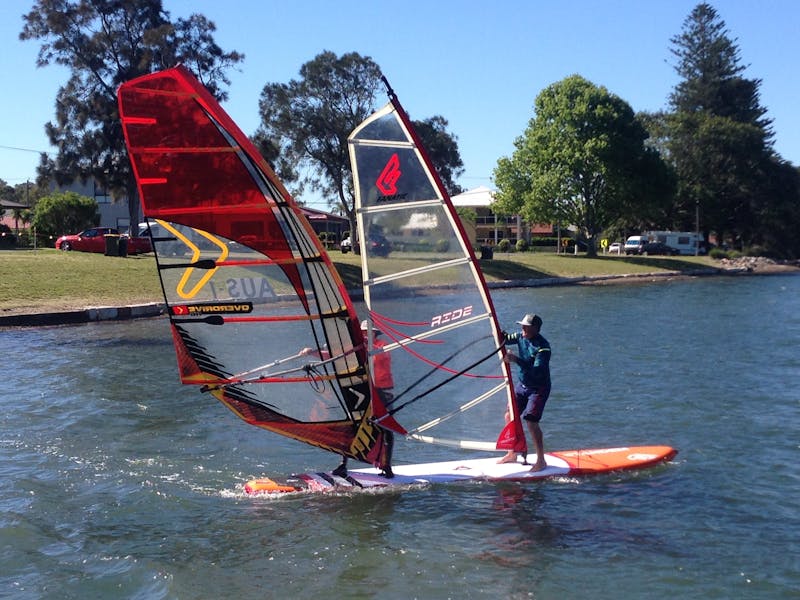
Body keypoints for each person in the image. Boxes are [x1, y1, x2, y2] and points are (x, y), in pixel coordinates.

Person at [300, 319, 395, 478]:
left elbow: (378, 356)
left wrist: (363, 346)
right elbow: (333, 355)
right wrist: (312, 353)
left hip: (382, 392)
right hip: (363, 390)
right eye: (363, 332)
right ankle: (342, 465)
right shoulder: (356, 348)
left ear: (374, 333)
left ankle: (387, 466)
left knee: (385, 428)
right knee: (351, 426)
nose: (365, 334)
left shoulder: (382, 346)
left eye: (367, 332)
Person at [497, 313, 551, 471]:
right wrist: (497, 331)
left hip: (538, 388)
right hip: (523, 385)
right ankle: (512, 453)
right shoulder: (521, 336)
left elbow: (537, 371)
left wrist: (515, 360)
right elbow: (505, 337)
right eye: (522, 325)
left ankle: (541, 460)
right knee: (509, 415)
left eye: (526, 326)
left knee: (531, 422)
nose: (522, 329)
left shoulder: (543, 348)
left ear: (535, 329)